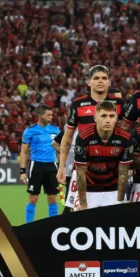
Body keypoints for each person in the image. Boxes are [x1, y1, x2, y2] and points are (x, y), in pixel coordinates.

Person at [57, 65, 124, 212]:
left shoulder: (119, 104)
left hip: (112, 170)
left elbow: (126, 134)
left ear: (109, 83)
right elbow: (67, 138)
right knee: (76, 212)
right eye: (96, 78)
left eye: (104, 78)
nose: (100, 81)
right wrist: (62, 165)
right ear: (89, 82)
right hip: (83, 168)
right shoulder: (78, 104)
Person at [73, 101, 133, 210]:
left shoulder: (125, 138)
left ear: (116, 119)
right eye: (103, 116)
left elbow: (123, 173)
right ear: (95, 118)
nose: (108, 120)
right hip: (89, 190)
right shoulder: (83, 138)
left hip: (113, 190)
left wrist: (119, 201)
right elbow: (80, 173)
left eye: (111, 116)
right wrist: (82, 203)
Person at [20, 105, 60, 223]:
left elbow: (60, 151)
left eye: (51, 115)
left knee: (52, 198)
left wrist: (62, 167)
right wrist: (22, 172)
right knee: (33, 198)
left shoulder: (55, 130)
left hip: (52, 166)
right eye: (48, 115)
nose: (51, 117)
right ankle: (29, 226)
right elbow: (24, 151)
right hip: (36, 166)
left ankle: (53, 226)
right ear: (40, 116)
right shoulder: (30, 131)